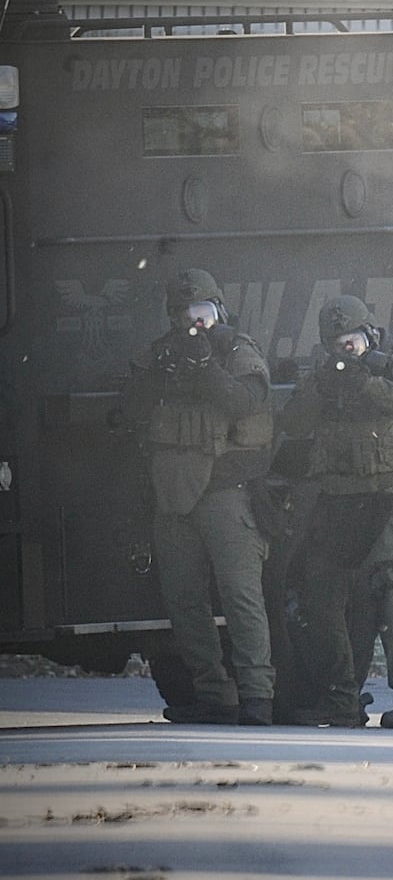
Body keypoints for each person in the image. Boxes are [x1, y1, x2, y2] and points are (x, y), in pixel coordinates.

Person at [123, 268, 276, 725]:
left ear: (219, 312)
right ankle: (212, 694)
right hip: (173, 497)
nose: (196, 324)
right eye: (187, 316)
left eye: (204, 314)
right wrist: (171, 365)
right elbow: (131, 407)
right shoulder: (160, 356)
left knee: (240, 597)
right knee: (184, 601)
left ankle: (256, 697)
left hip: (226, 493)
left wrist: (204, 365)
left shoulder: (236, 350)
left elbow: (245, 403)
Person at [275, 295, 393, 728]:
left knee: (391, 593)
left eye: (354, 343)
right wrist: (325, 386)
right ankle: (342, 697)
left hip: (388, 499)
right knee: (320, 599)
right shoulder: (323, 380)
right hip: (338, 503)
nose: (346, 352)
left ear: (370, 338)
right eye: (338, 345)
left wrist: (365, 383)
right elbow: (293, 423)